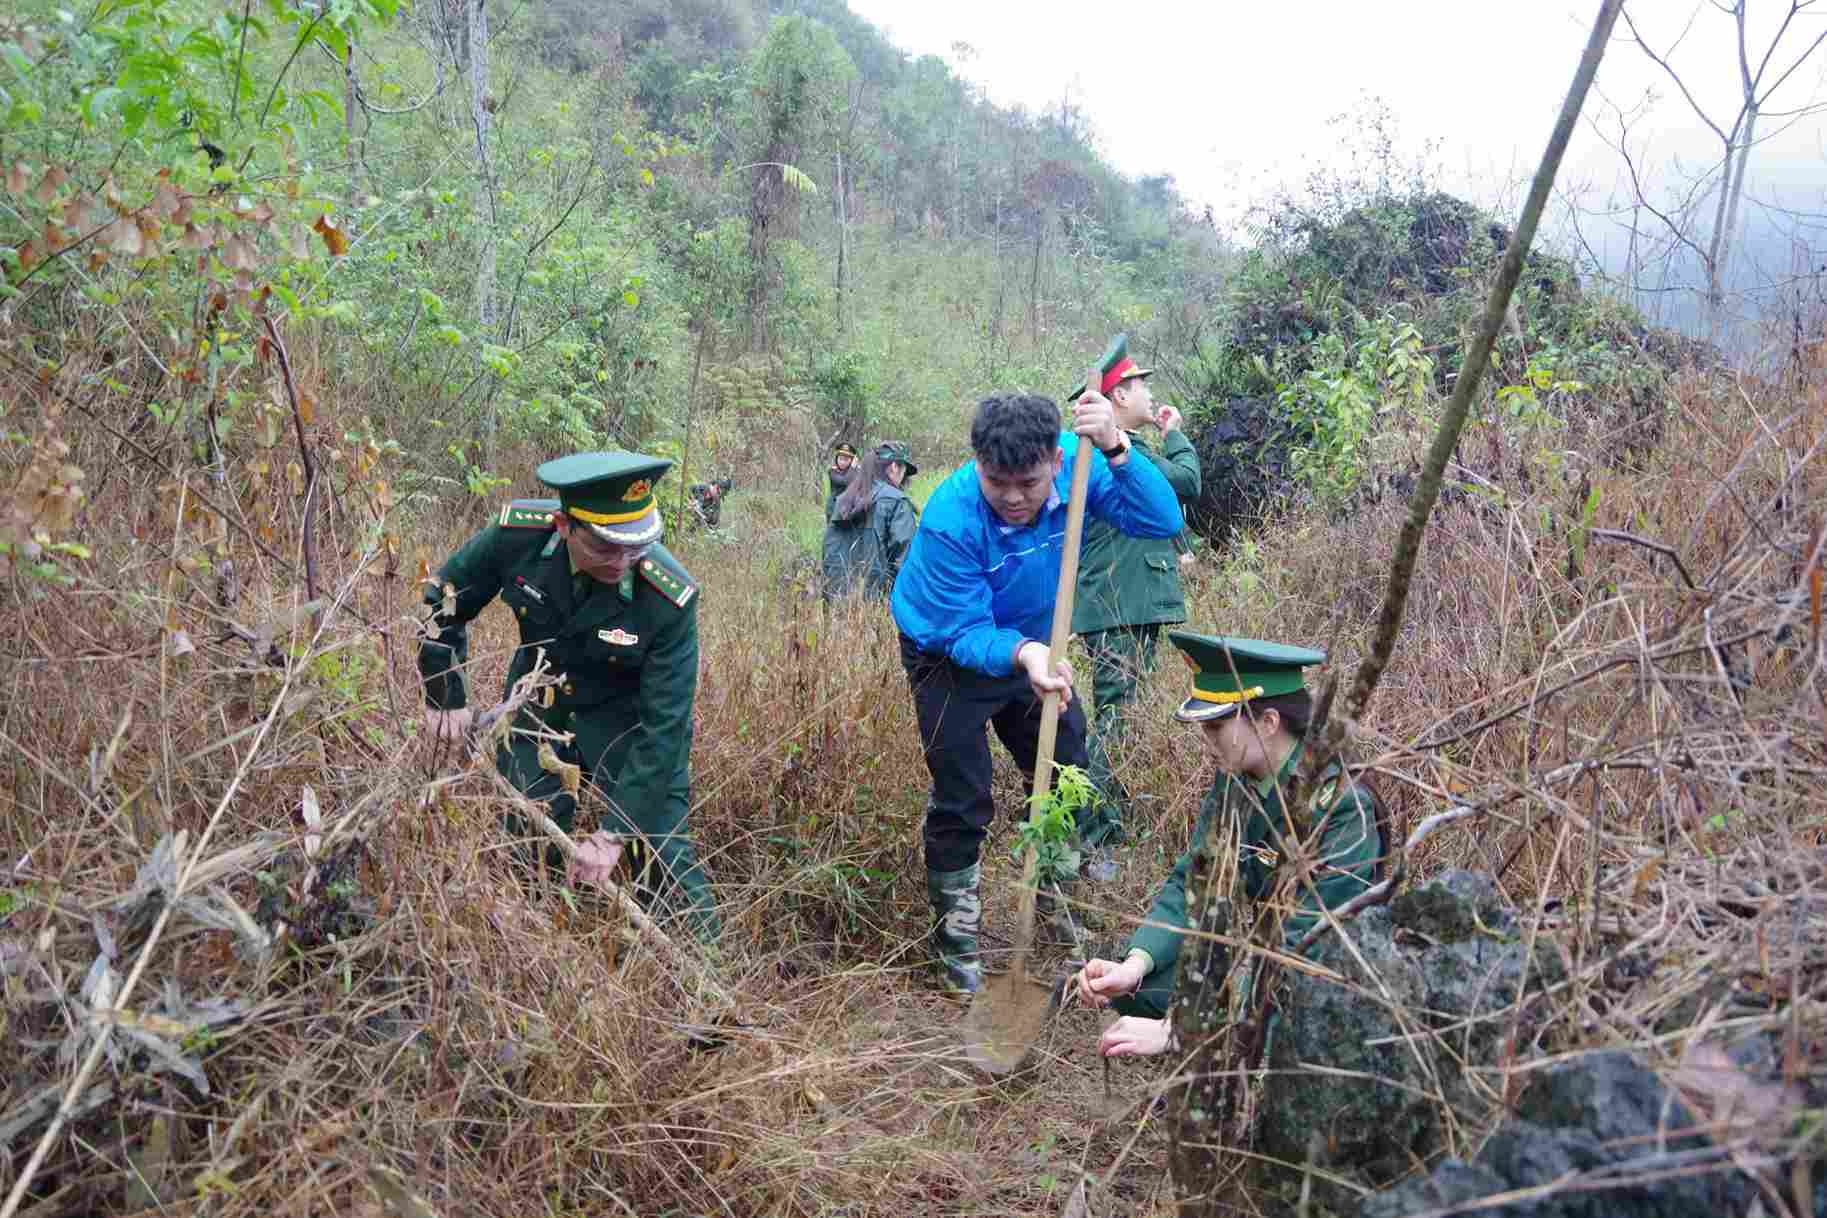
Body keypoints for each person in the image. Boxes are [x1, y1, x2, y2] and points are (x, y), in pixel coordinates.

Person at [891, 391, 1185, 995]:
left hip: (1034, 643)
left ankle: (1054, 904)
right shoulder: (951, 517)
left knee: (1064, 767)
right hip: (947, 651)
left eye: (1027, 481)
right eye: (998, 481)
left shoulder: (1082, 468)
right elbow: (964, 630)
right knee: (963, 792)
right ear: (978, 464)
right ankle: (958, 950)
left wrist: (1116, 444)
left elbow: (1162, 521)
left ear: (1055, 458)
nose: (1015, 497)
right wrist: (1024, 654)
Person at [417, 451, 721, 945]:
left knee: (663, 858)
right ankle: (532, 948)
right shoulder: (518, 536)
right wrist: (445, 695)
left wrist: (614, 834)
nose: (623, 562)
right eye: (606, 548)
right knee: (525, 840)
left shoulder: (670, 597)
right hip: (539, 706)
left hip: (625, 723)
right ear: (564, 525)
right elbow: (441, 602)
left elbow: (666, 727)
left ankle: (715, 990)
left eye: (637, 547)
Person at [1071, 634, 1383, 1055]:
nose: (1206, 738)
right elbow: (1196, 877)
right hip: (1266, 963)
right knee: (1141, 987)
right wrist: (1135, 964)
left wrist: (1181, 1030)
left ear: (1269, 722)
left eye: (1217, 725)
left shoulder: (1341, 807)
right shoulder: (1238, 777)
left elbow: (1305, 949)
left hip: (1327, 988)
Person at [1070, 354, 1202, 877]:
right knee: (1118, 719)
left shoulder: (1119, 454)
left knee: (1121, 716)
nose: (1151, 395)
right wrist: (1176, 433)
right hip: (1118, 602)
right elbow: (1185, 482)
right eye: (1141, 386)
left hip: (1127, 600)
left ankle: (1104, 825)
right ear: (1118, 397)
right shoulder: (1114, 455)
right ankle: (1096, 838)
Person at [854, 440, 919, 600]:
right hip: (878, 599)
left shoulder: (847, 496)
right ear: (894, 467)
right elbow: (904, 559)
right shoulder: (897, 502)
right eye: (904, 469)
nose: (904, 477)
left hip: (839, 597)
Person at [820, 442, 863, 600]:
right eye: (841, 458)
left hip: (850, 516)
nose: (843, 461)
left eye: (847, 459)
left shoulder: (856, 472)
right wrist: (854, 468)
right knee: (834, 544)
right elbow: (846, 481)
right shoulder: (833, 472)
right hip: (835, 515)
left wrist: (855, 470)